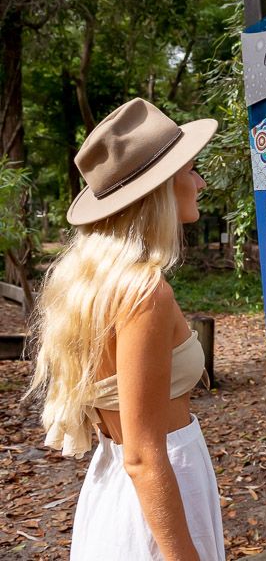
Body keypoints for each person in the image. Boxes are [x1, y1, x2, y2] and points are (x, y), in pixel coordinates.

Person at [26, 99, 224, 559]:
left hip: (114, 480)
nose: (199, 182)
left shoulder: (94, 284)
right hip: (159, 484)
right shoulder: (146, 295)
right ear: (158, 190)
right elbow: (143, 454)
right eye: (190, 170)